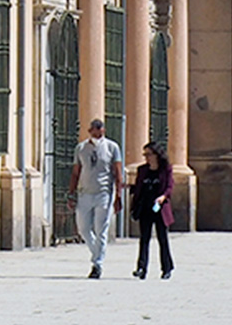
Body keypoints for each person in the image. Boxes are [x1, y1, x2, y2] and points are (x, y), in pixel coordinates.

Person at [65, 118, 123, 278]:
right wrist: (71, 193)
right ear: (89, 131)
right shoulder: (81, 148)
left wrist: (118, 196)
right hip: (84, 193)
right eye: (95, 131)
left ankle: (97, 264)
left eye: (100, 131)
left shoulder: (112, 147)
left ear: (104, 131)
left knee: (101, 230)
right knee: (83, 229)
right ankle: (96, 253)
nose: (98, 134)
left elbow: (117, 173)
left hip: (104, 193)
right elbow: (76, 172)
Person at [130, 140, 174, 280]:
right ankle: (141, 267)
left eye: (149, 154)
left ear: (157, 154)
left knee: (162, 238)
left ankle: (166, 268)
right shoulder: (142, 170)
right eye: (145, 155)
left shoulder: (166, 169)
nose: (146, 157)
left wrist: (163, 197)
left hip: (160, 208)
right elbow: (138, 188)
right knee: (144, 239)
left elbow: (169, 187)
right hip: (145, 208)